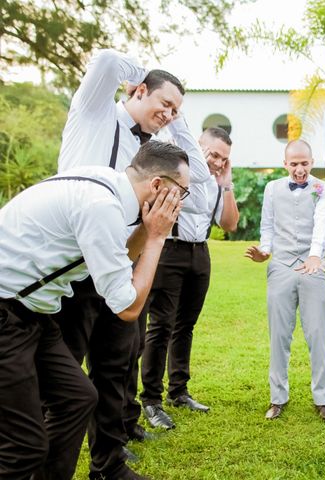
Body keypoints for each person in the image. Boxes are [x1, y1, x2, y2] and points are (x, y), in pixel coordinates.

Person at [53, 49, 210, 480]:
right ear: (138, 90)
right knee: (67, 375)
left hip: (124, 261)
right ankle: (52, 464)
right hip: (73, 267)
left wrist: (174, 118)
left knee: (117, 364)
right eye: (164, 104)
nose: (169, 114)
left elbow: (198, 175)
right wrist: (145, 77)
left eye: (176, 110)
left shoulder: (157, 147)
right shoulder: (94, 114)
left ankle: (108, 463)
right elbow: (105, 60)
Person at [0, 141, 188, 480]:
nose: (180, 205)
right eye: (181, 194)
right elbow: (128, 308)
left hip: (33, 314)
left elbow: (120, 261)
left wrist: (147, 230)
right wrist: (158, 238)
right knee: (23, 446)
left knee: (77, 398)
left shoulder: (104, 186)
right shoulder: (101, 206)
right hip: (6, 313)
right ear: (158, 186)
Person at [140, 127, 239, 429]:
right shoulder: (178, 172)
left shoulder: (216, 183)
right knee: (161, 325)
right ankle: (151, 400)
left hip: (200, 253)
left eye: (224, 158)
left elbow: (230, 223)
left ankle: (178, 391)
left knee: (186, 326)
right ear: (198, 147)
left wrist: (226, 183)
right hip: (169, 250)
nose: (218, 162)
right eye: (213, 154)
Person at [245, 139, 325, 422]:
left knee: (318, 334)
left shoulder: (323, 188)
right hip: (281, 266)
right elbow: (267, 226)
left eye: (304, 164)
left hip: (314, 267)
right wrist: (265, 251)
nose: (299, 170)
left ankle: (323, 400)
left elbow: (322, 221)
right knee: (279, 335)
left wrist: (314, 255)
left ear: (312, 162)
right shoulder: (272, 189)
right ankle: (277, 398)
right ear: (285, 163)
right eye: (294, 164)